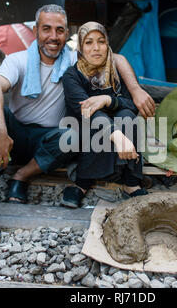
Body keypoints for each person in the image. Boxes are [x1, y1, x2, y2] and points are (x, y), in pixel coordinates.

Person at [0, 5, 155, 243]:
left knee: (72, 137)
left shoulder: (73, 60)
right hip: (15, 135)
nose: (53, 37)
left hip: (51, 140)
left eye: (59, 30)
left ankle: (21, 176)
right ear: (35, 30)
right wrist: (0, 130)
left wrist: (136, 90)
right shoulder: (19, 60)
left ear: (67, 34)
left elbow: (115, 58)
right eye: (46, 29)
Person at [61, 21, 148, 208]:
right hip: (85, 131)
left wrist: (108, 100)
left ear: (107, 43)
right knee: (96, 123)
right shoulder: (72, 76)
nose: (96, 48)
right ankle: (82, 183)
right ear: (80, 47)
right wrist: (116, 136)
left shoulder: (117, 70)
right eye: (89, 42)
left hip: (119, 128)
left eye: (101, 41)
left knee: (127, 117)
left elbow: (131, 104)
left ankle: (131, 183)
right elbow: (86, 112)